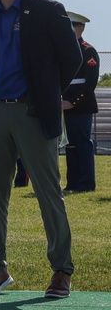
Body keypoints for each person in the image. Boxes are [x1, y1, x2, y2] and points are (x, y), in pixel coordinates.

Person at [0, 0, 82, 299]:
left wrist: (47, 95)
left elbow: (72, 58)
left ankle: (61, 270)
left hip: (33, 113)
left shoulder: (47, 8)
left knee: (49, 194)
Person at [62, 12, 99, 193]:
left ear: (81, 28)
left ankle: (86, 183)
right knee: (70, 144)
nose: (70, 30)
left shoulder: (88, 50)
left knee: (82, 143)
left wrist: (72, 102)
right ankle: (73, 182)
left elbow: (89, 83)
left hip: (81, 106)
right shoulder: (63, 49)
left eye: (73, 26)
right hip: (64, 105)